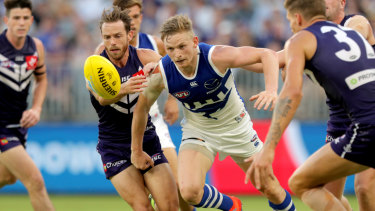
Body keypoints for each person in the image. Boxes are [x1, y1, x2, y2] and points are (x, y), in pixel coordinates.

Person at [131, 14, 296, 211]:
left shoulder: (215, 56)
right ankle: (232, 206)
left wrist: (271, 90)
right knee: (189, 192)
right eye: (171, 49)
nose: (177, 54)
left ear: (194, 42)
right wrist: (136, 150)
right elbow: (141, 110)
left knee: (270, 189)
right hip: (198, 132)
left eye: (182, 47)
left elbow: (267, 55)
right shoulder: (162, 72)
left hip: (237, 129)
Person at [246, 0, 375, 210]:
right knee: (328, 195)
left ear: (297, 18)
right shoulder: (317, 39)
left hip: (365, 121)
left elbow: (293, 92)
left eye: (289, 21)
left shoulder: (350, 25)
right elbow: (268, 60)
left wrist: (268, 149)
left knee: (353, 186)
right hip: (344, 119)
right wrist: (222, 60)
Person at [94, 1, 192, 210]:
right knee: (141, 205)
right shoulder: (96, 64)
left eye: (117, 36)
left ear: (129, 35)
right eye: (107, 37)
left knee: (171, 204)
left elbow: (177, 74)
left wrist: (161, 75)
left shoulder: (147, 55)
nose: (112, 42)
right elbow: (101, 98)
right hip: (114, 144)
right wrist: (125, 87)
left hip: (148, 135)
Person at [0, 0, 54, 210]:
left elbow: (42, 79)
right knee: (35, 181)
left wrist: (36, 108)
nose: (21, 23)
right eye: (16, 18)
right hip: (1, 126)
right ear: (7, 20)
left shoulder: (36, 47)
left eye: (25, 18)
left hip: (19, 125)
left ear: (31, 20)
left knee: (8, 177)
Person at [322, 0, 375, 210]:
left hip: (370, 116)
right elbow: (274, 57)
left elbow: (356, 34)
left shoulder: (356, 22)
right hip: (340, 122)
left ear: (342, 2)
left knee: (364, 187)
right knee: (327, 198)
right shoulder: (312, 35)